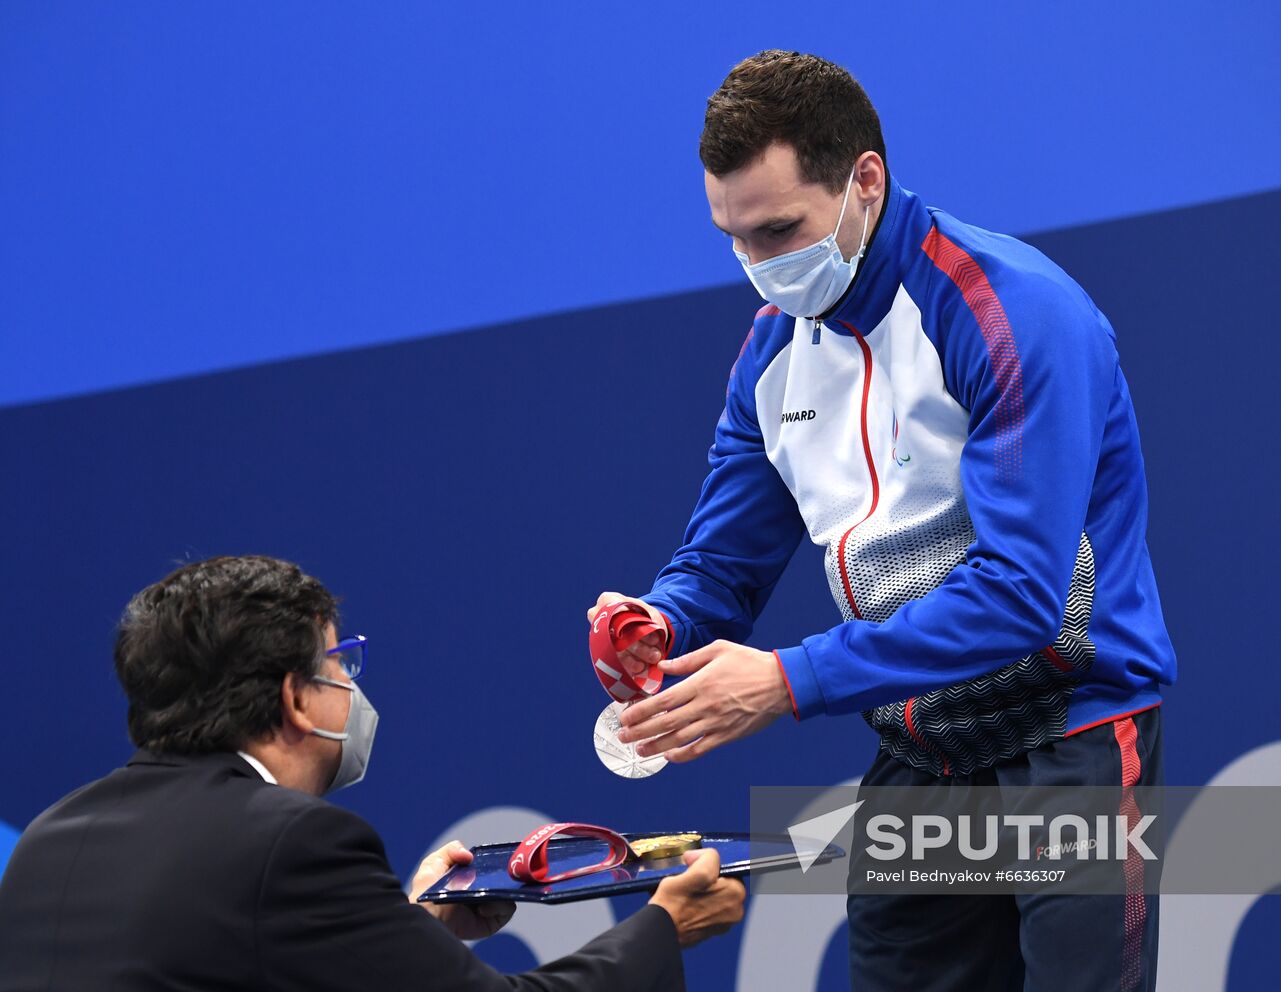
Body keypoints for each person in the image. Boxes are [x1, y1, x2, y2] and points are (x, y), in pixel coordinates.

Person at [588, 51, 1176, 990]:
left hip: (1068, 732)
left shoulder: (1013, 314)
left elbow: (1024, 596)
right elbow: (722, 565)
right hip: (921, 751)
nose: (760, 267)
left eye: (780, 230)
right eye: (734, 239)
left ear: (865, 180)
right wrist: (659, 623)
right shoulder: (771, 356)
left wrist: (789, 680)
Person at [0, 555, 743, 991]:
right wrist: (662, 929)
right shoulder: (291, 844)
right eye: (339, 663)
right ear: (296, 698)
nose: (352, 688)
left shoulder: (47, 840)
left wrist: (415, 932)